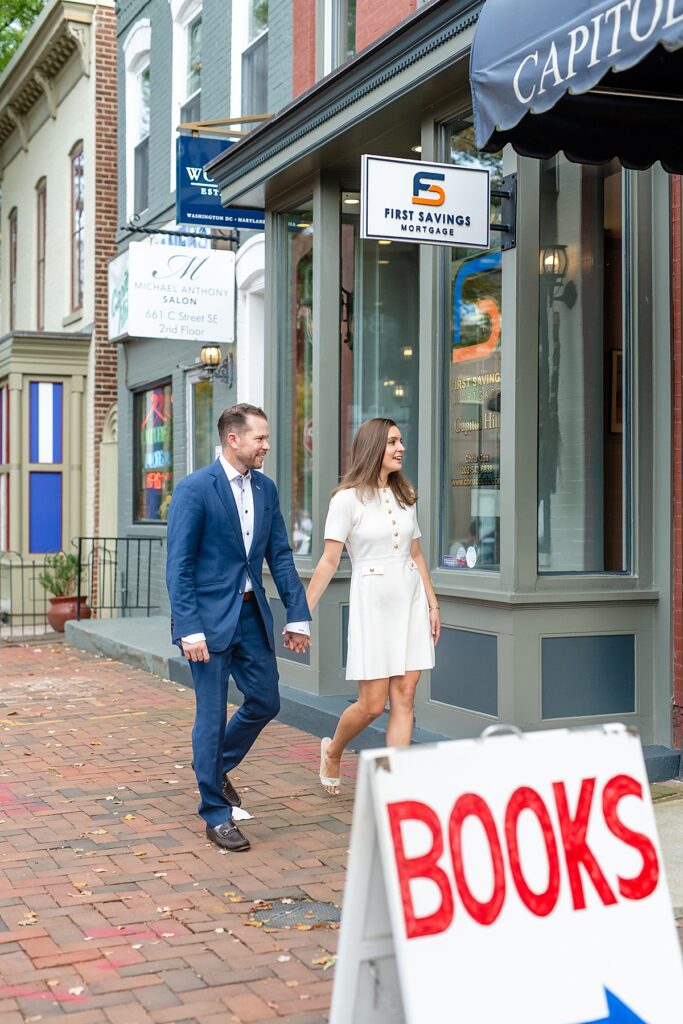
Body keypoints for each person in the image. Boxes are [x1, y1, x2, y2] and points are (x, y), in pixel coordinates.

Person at [166, 403, 311, 851]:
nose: (267, 445)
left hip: (252, 617)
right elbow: (180, 565)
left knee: (266, 700)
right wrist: (188, 627)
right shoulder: (194, 490)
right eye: (260, 438)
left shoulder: (266, 489)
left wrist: (299, 613)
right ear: (234, 439)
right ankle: (216, 813)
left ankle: (212, 766)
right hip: (207, 625)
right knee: (210, 715)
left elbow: (280, 556)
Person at [306, 418, 440, 795]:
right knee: (371, 703)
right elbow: (329, 561)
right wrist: (303, 613)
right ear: (373, 448)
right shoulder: (345, 500)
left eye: (401, 440)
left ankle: (395, 786)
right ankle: (333, 750)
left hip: (410, 598)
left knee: (406, 696)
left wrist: (433, 604)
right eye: (393, 442)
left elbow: (416, 553)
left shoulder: (406, 494)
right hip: (374, 602)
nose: (401, 448)